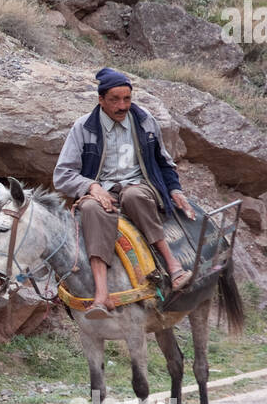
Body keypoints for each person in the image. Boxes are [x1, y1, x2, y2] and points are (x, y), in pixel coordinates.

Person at [53, 67, 196, 318]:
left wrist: (174, 188)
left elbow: (163, 161)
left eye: (127, 99)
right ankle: (100, 296)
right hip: (101, 191)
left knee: (134, 197)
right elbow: (62, 174)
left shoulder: (144, 122)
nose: (122, 106)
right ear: (101, 100)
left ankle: (174, 268)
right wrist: (91, 186)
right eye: (115, 100)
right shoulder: (83, 128)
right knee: (89, 208)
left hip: (139, 187)